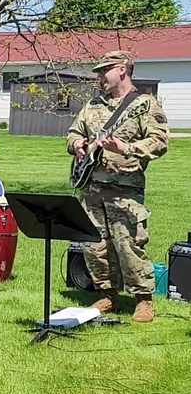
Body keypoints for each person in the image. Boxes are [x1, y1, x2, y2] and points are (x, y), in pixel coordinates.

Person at [67, 50, 168, 323]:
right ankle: (107, 293)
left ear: (122, 69)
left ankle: (143, 299)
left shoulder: (144, 105)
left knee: (129, 245)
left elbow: (159, 142)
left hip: (124, 189)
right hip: (91, 187)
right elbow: (74, 133)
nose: (100, 76)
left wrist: (125, 147)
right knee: (94, 245)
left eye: (104, 70)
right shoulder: (93, 105)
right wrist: (77, 144)